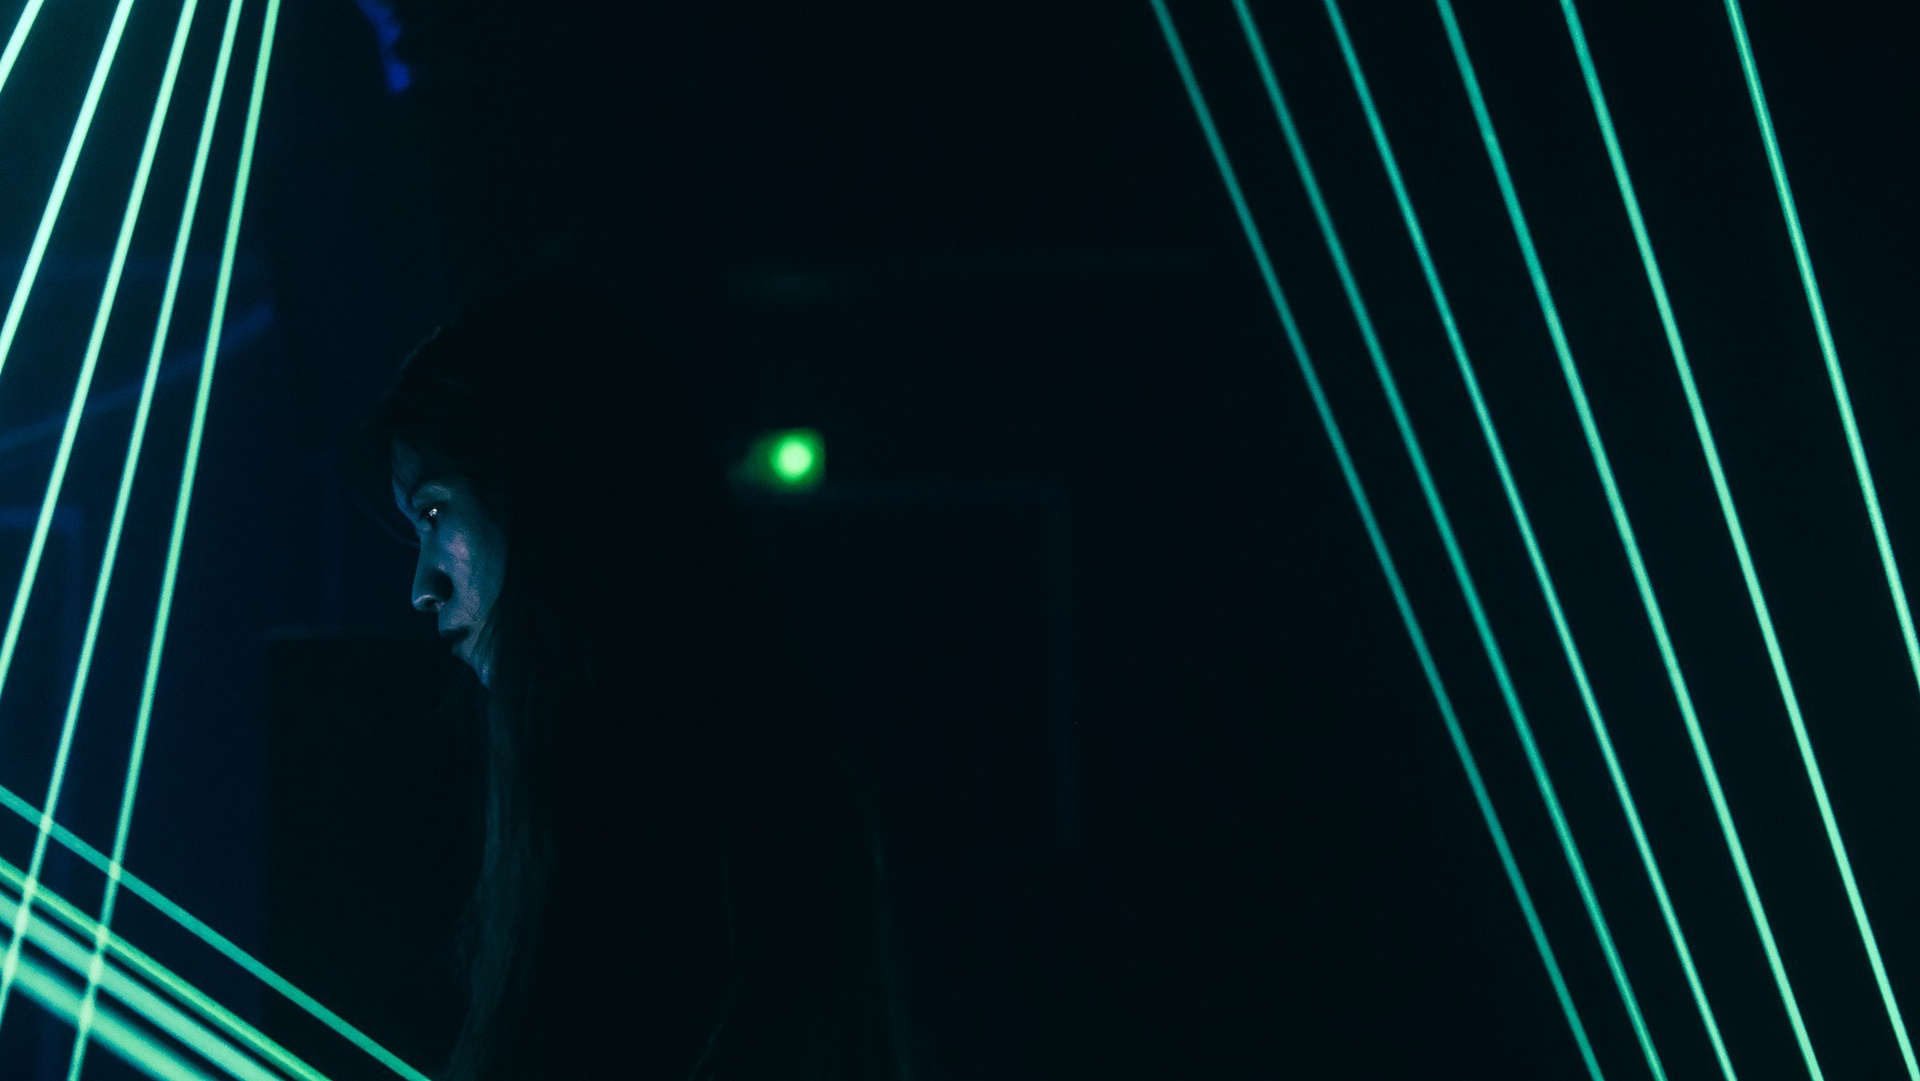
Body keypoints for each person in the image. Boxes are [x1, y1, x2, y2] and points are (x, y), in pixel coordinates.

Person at [352, 280, 921, 1080]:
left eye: (436, 512)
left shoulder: (713, 781)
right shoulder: (716, 762)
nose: (421, 586)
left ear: (546, 493)